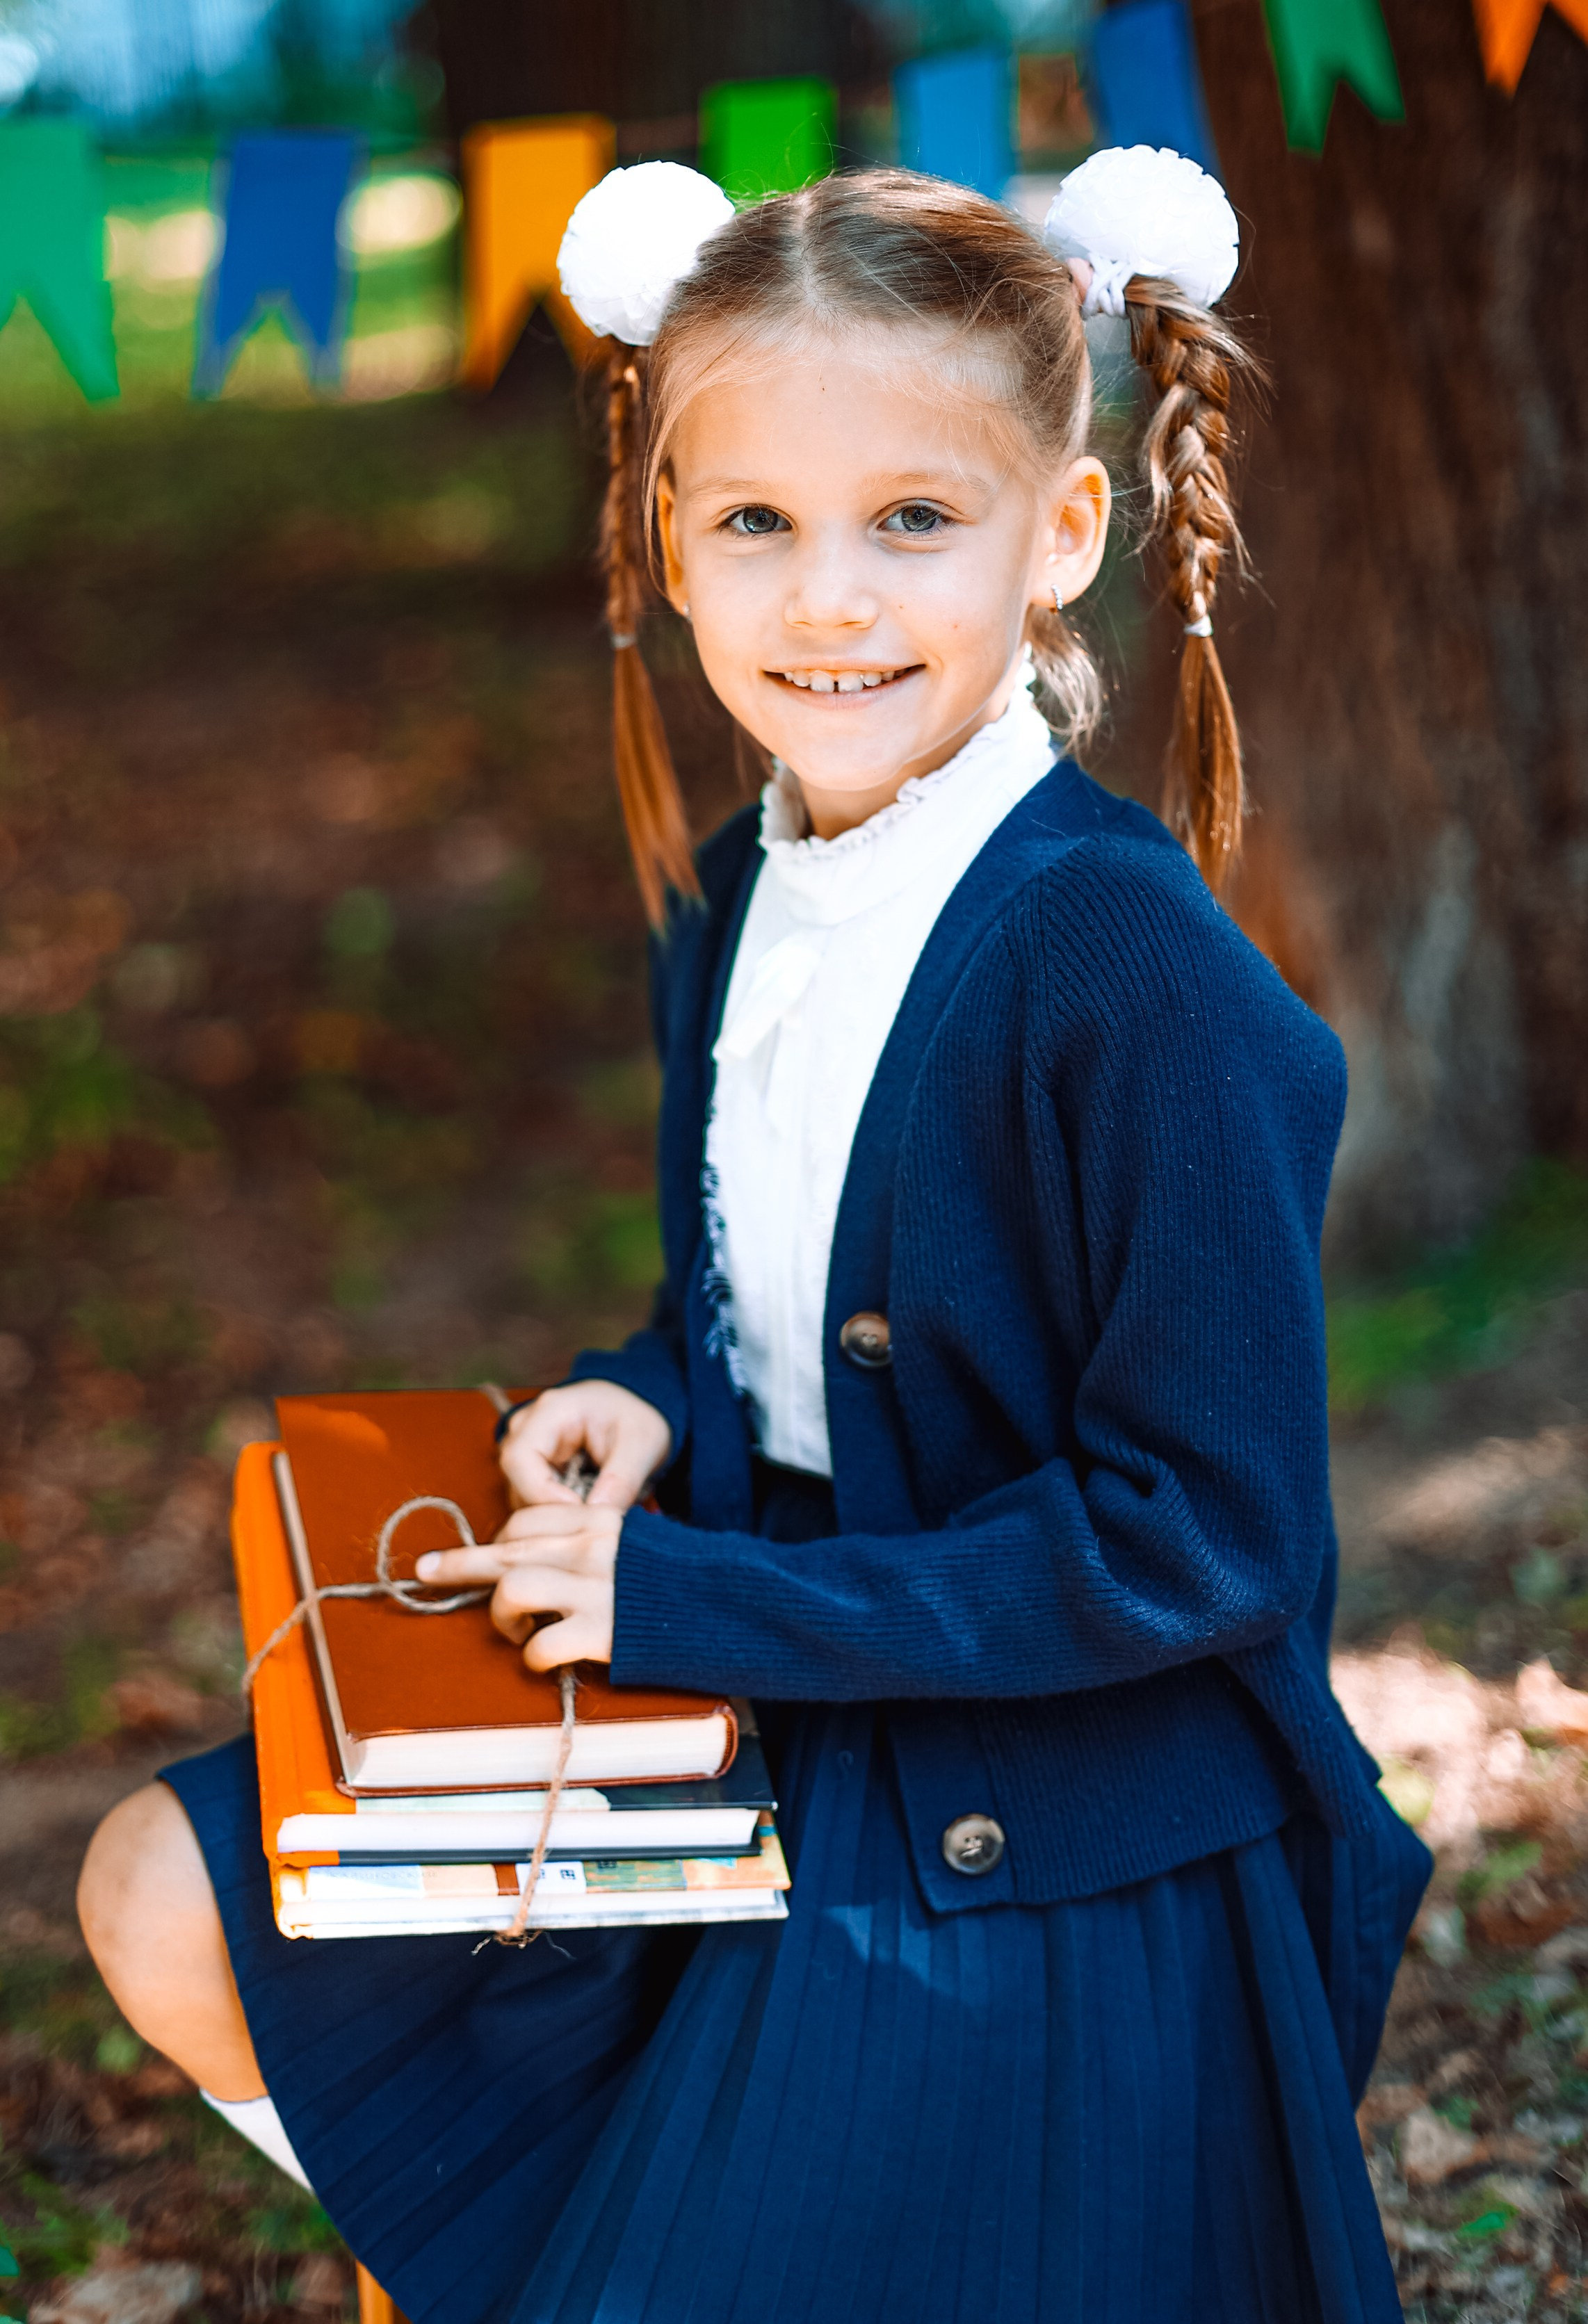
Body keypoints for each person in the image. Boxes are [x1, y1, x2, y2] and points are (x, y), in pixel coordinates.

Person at [78, 149, 1430, 2323]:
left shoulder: (1126, 966)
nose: (828, 602)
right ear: (666, 547)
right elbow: (750, 1315)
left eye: (914, 520)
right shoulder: (731, 896)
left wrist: (694, 1597)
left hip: (1045, 1799)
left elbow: (1206, 1538)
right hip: (768, 1657)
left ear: (1058, 538)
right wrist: (638, 1400)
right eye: (756, 525)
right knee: (169, 1893)